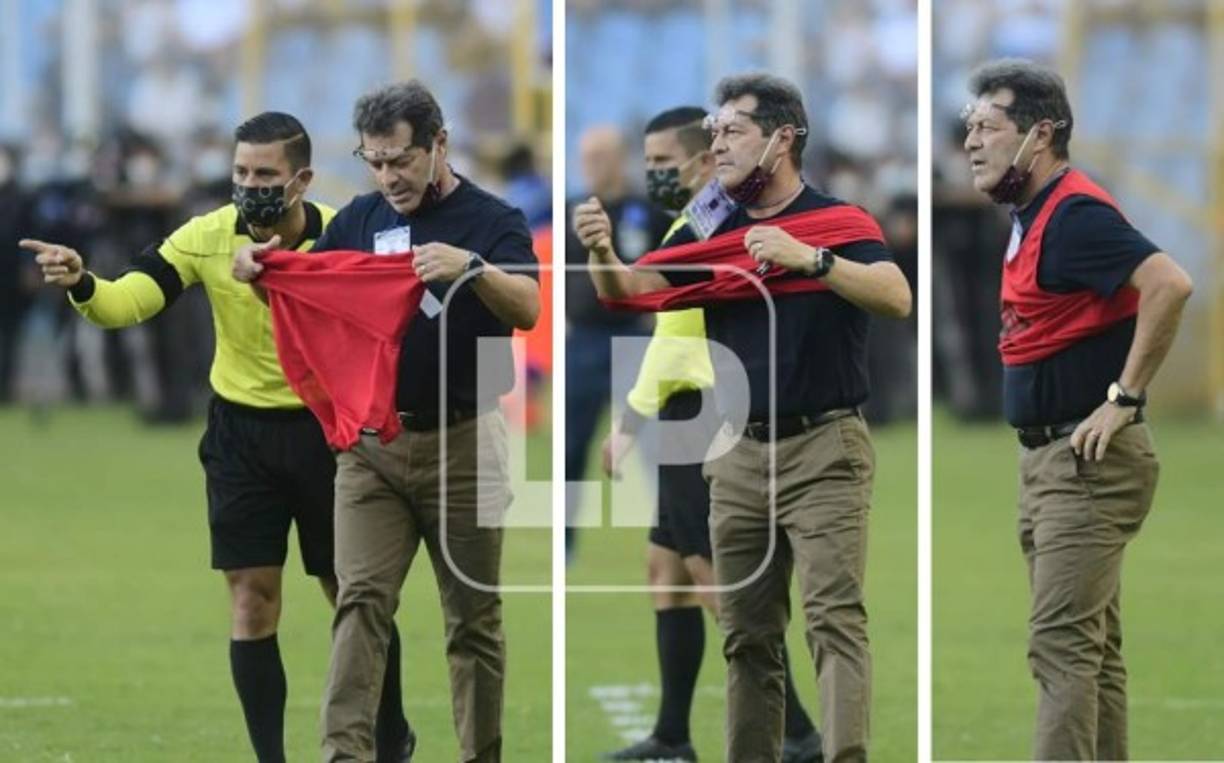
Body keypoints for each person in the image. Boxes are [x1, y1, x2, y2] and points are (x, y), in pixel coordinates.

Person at [23, 112, 414, 763]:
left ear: (302, 180)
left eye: (265, 174)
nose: (249, 185)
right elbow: (130, 300)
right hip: (240, 437)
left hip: (330, 435)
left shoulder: (346, 235)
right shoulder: (206, 236)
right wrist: (84, 282)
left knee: (354, 597)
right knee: (252, 601)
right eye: (240, 172)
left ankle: (391, 733)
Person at [576, 73, 911, 763]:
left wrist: (809, 259)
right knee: (748, 633)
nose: (717, 145)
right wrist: (602, 251)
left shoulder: (838, 222)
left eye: (732, 132)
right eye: (716, 130)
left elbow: (896, 295)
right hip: (735, 454)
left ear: (782, 139)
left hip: (826, 447)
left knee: (833, 622)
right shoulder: (712, 221)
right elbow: (631, 291)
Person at [235, 81, 539, 763]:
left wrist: (473, 270)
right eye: (373, 161)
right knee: (361, 603)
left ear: (439, 144)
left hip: (466, 440)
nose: (386, 177)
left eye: (399, 160)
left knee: (473, 619)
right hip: (373, 447)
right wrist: (264, 264)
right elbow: (313, 280)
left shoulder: (493, 220)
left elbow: (527, 308)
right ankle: (346, 755)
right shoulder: (362, 220)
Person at [961, 59, 1192, 759]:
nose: (971, 141)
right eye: (969, 127)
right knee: (1091, 651)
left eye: (989, 127)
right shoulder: (1033, 214)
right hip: (1051, 460)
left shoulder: (1075, 213)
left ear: (1042, 134)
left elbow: (1170, 283)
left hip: (1085, 461)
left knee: (1061, 648)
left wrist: (1123, 398)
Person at [597, 106, 822, 763]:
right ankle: (673, 735)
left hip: (697, 415)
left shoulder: (714, 227)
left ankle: (797, 729)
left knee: (714, 581)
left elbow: (677, 341)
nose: (654, 174)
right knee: (665, 568)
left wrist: (630, 421)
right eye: (650, 163)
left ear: (703, 161)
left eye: (666, 163)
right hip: (683, 413)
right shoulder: (692, 223)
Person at [564, 125, 672, 558]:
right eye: (586, 157)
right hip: (584, 340)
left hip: (635, 335)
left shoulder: (647, 211)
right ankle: (566, 540)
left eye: (600, 156)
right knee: (573, 442)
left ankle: (669, 531)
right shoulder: (572, 210)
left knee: (652, 442)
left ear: (619, 158)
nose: (592, 165)